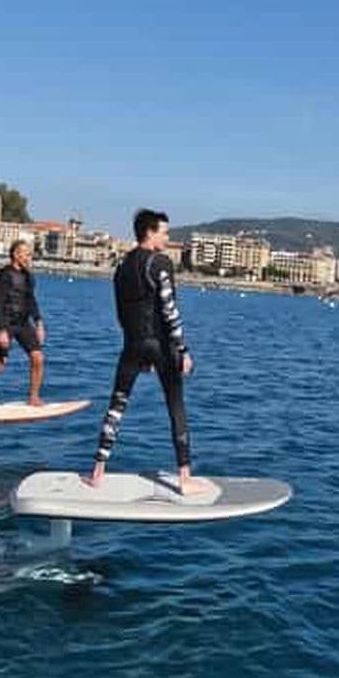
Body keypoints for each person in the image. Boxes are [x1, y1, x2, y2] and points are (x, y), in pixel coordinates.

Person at [86, 209, 209, 495]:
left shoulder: (123, 265)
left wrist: (137, 350)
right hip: (161, 344)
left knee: (117, 405)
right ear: (150, 232)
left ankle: (97, 471)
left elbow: (120, 311)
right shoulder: (161, 262)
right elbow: (170, 311)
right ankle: (185, 478)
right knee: (175, 405)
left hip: (132, 343)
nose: (167, 237)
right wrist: (183, 350)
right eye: (164, 232)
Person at [0, 240, 46, 408]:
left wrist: (39, 323)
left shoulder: (28, 276)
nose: (29, 257)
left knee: (38, 358)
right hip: (6, 323)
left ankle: (34, 397)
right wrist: (3, 330)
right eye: (26, 254)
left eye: (29, 254)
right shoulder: (4, 274)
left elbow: (31, 301)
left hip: (23, 323)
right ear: (16, 254)